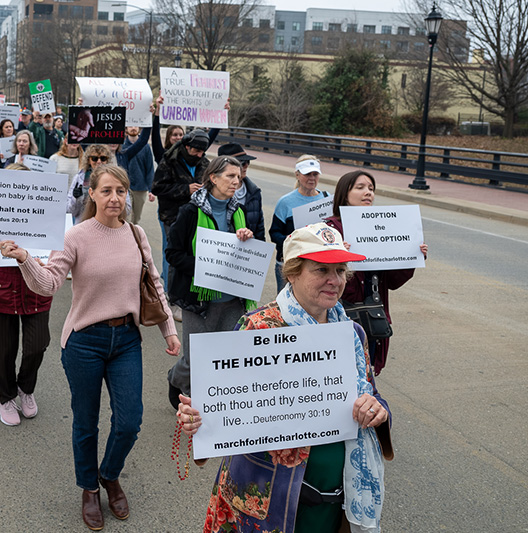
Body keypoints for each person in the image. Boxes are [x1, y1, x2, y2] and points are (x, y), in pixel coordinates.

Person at [0, 164, 180, 531]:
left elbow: (154, 283)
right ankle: (89, 488)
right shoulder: (75, 236)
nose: (115, 198)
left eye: (122, 191)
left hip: (127, 339)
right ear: (91, 193)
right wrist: (25, 259)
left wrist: (168, 330)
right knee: (86, 423)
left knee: (129, 422)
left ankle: (110, 474)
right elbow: (48, 284)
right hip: (84, 342)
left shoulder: (136, 233)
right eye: (107, 190)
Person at [178, 223, 393, 533]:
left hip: (338, 502)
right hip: (269, 500)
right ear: (292, 272)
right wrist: (197, 418)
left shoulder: (352, 332)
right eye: (321, 270)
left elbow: (372, 393)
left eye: (340, 270)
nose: (335, 281)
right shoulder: (258, 328)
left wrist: (377, 410)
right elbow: (223, 409)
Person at [165, 156, 261, 407]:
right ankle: (176, 378)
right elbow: (173, 253)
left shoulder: (238, 212)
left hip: (232, 299)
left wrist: (248, 238)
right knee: (195, 358)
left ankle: (210, 406)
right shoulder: (190, 212)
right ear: (213, 178)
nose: (236, 181)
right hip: (198, 298)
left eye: (238, 177)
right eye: (230, 176)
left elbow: (250, 252)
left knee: (226, 356)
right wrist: (205, 268)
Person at [0, 162, 53, 426]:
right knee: (4, 351)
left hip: (36, 293)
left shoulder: (44, 217)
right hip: (1, 295)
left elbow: (54, 255)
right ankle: (5, 397)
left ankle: (25, 389)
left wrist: (47, 265)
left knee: (37, 346)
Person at [325, 170, 428, 374]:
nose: (368, 193)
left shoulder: (380, 227)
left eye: (371, 189)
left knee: (366, 378)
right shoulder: (329, 228)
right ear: (345, 193)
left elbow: (391, 282)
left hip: (371, 319)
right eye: (360, 187)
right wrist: (336, 254)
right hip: (338, 317)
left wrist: (410, 256)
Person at [151, 128, 211, 321]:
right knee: (174, 256)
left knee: (194, 255)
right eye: (195, 151)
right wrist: (186, 189)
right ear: (187, 146)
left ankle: (192, 295)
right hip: (172, 216)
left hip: (197, 217)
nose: (199, 155)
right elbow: (157, 187)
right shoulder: (170, 160)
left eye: (202, 152)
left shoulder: (205, 163)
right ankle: (172, 299)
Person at [269, 155, 327, 292]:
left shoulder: (326, 199)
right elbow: (274, 233)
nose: (312, 178)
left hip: (318, 263)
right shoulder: (285, 202)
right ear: (297, 175)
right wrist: (295, 241)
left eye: (315, 174)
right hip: (291, 264)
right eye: (307, 174)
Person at [217, 143, 265, 240]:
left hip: (245, 251)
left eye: (248, 162)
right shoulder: (213, 195)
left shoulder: (254, 192)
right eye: (242, 163)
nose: (246, 165)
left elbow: (259, 230)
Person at [122, 126, 155, 224]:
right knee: (124, 217)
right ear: (126, 128)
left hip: (140, 188)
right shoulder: (121, 146)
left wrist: (151, 189)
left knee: (135, 219)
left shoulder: (145, 147)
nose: (133, 128)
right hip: (124, 188)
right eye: (130, 126)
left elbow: (149, 168)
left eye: (135, 125)